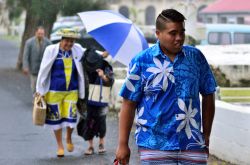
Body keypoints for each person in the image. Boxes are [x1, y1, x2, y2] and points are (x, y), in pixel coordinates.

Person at [115, 9, 217, 165]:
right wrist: (122, 145)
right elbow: (128, 103)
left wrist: (206, 136)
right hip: (154, 145)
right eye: (173, 33)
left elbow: (209, 94)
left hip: (192, 144)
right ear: (158, 33)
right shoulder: (142, 61)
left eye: (182, 32)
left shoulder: (196, 58)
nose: (179, 38)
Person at [36, 28, 85, 157]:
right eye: (67, 41)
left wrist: (103, 54)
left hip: (72, 90)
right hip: (54, 90)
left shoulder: (77, 49)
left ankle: (69, 137)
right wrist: (39, 91)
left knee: (71, 116)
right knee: (55, 119)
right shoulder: (51, 50)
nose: (69, 44)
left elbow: (90, 53)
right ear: (61, 40)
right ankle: (60, 145)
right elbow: (43, 70)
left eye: (72, 41)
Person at [79, 48, 114, 155]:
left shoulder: (104, 64)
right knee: (88, 121)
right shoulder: (83, 63)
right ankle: (90, 146)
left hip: (101, 98)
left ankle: (101, 143)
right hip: (86, 97)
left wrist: (103, 76)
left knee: (101, 120)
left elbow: (110, 80)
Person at [22, 26, 51, 95]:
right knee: (34, 86)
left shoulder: (48, 43)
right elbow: (25, 56)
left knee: (43, 85)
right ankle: (35, 100)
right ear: (36, 33)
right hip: (33, 69)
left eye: (42, 34)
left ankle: (41, 100)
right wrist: (25, 67)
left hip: (44, 69)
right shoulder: (29, 42)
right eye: (39, 33)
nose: (40, 35)